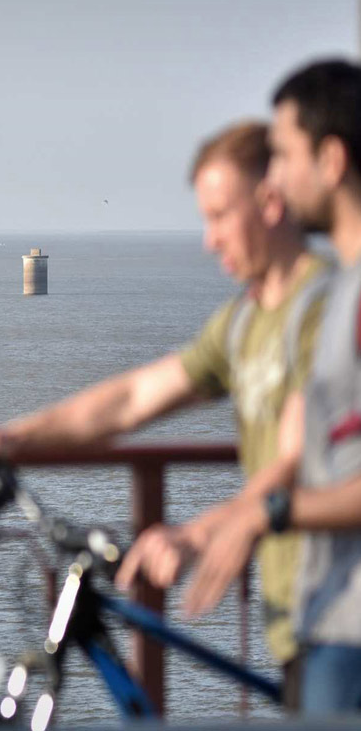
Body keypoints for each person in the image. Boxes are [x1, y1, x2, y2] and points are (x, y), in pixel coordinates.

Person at [0, 120, 332, 707]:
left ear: (272, 203)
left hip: (342, 617)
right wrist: (13, 437)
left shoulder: (325, 310)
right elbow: (132, 399)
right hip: (297, 617)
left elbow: (305, 459)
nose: (209, 239)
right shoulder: (244, 322)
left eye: (222, 215)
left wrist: (198, 533)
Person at [177, 59, 361, 715]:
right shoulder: (340, 296)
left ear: (332, 159)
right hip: (326, 619)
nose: (274, 180)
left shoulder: (339, 300)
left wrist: (261, 514)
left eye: (282, 155)